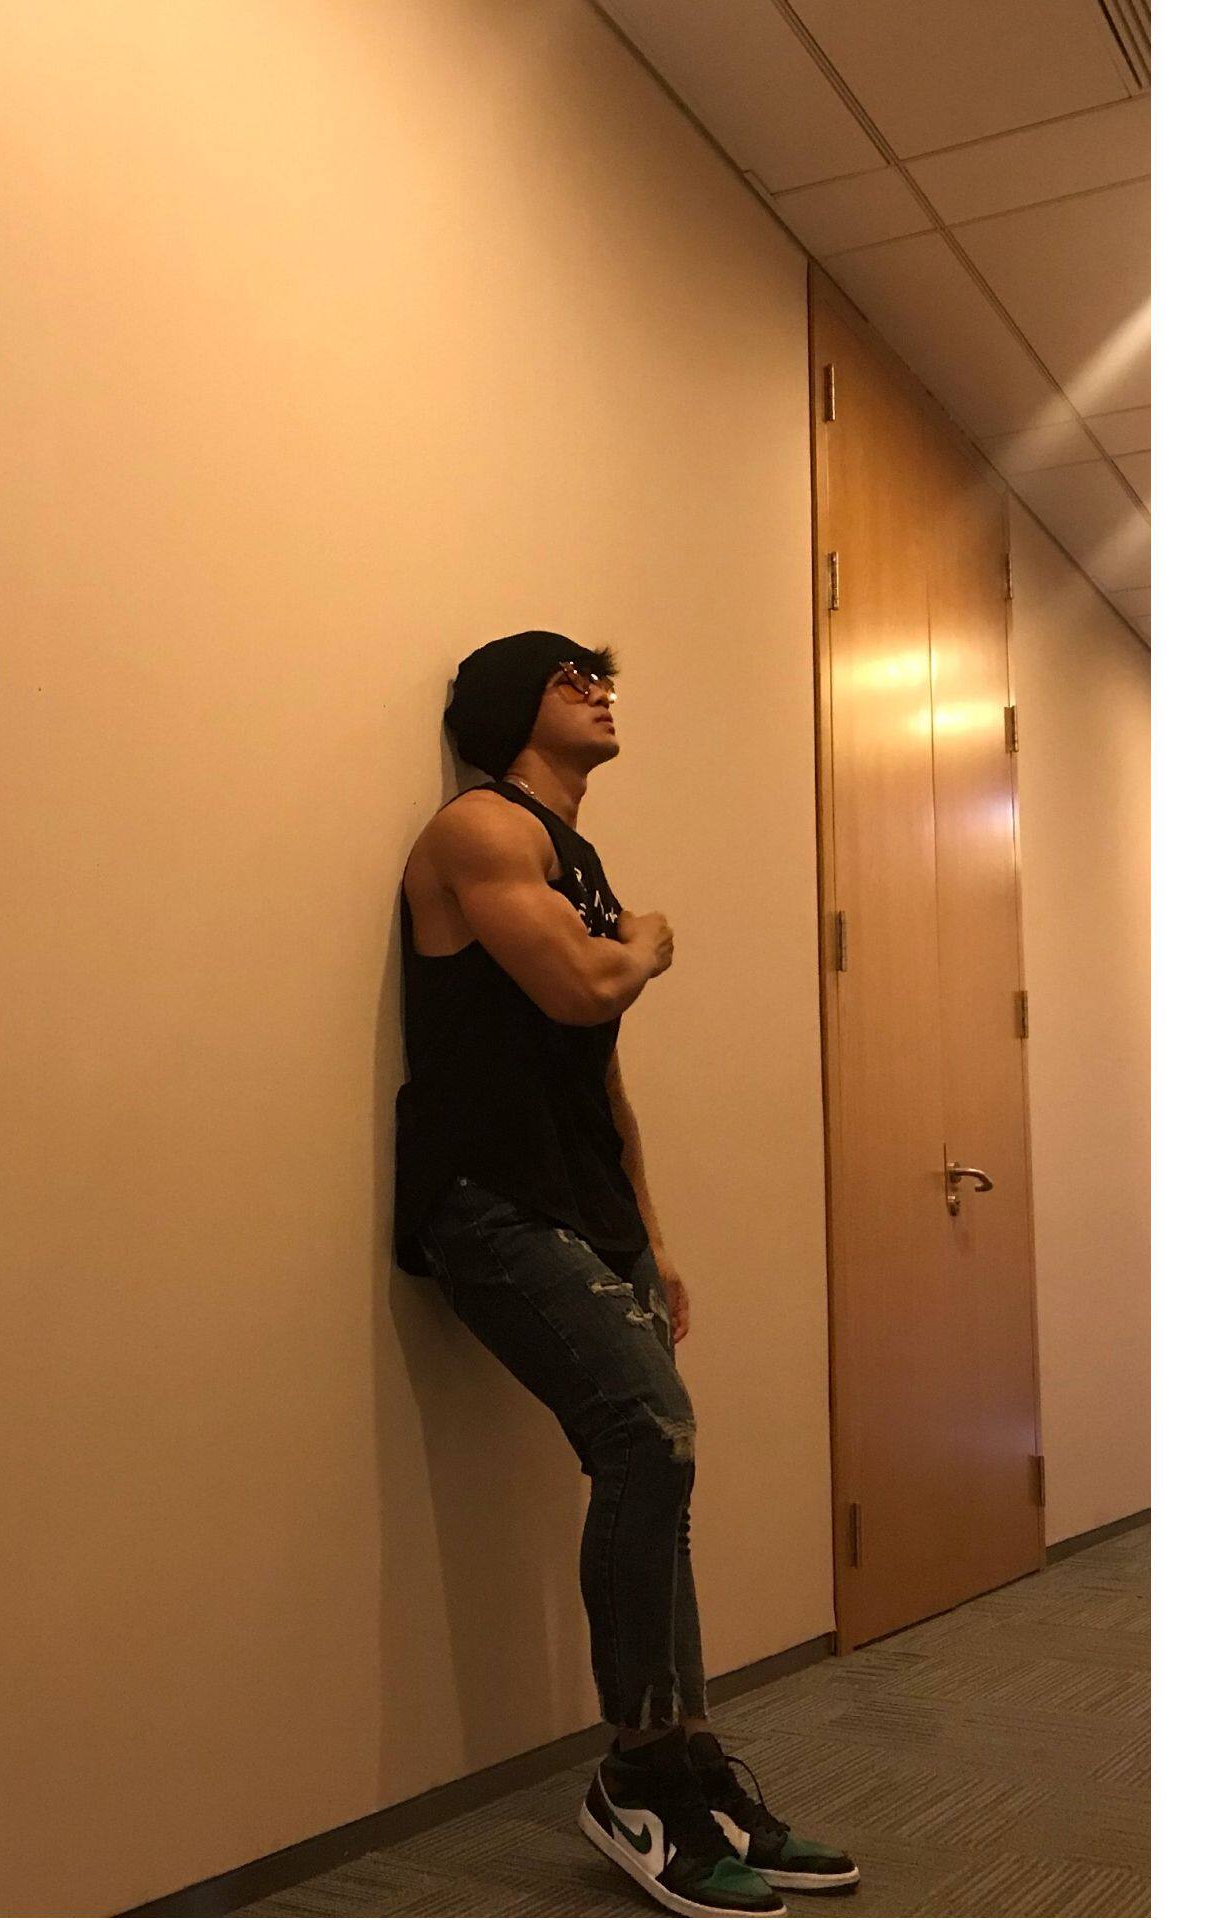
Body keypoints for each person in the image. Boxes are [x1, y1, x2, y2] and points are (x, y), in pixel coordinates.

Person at [393, 631, 860, 1918]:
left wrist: (647, 1236)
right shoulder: (482, 830)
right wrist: (646, 941)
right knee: (651, 1438)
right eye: (570, 677)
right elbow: (586, 986)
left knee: (662, 1470)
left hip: (581, 1210)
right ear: (510, 706)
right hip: (487, 1206)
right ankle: (638, 1780)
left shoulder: (573, 857)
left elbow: (598, 1078)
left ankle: (694, 1769)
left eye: (601, 677)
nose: (600, 692)